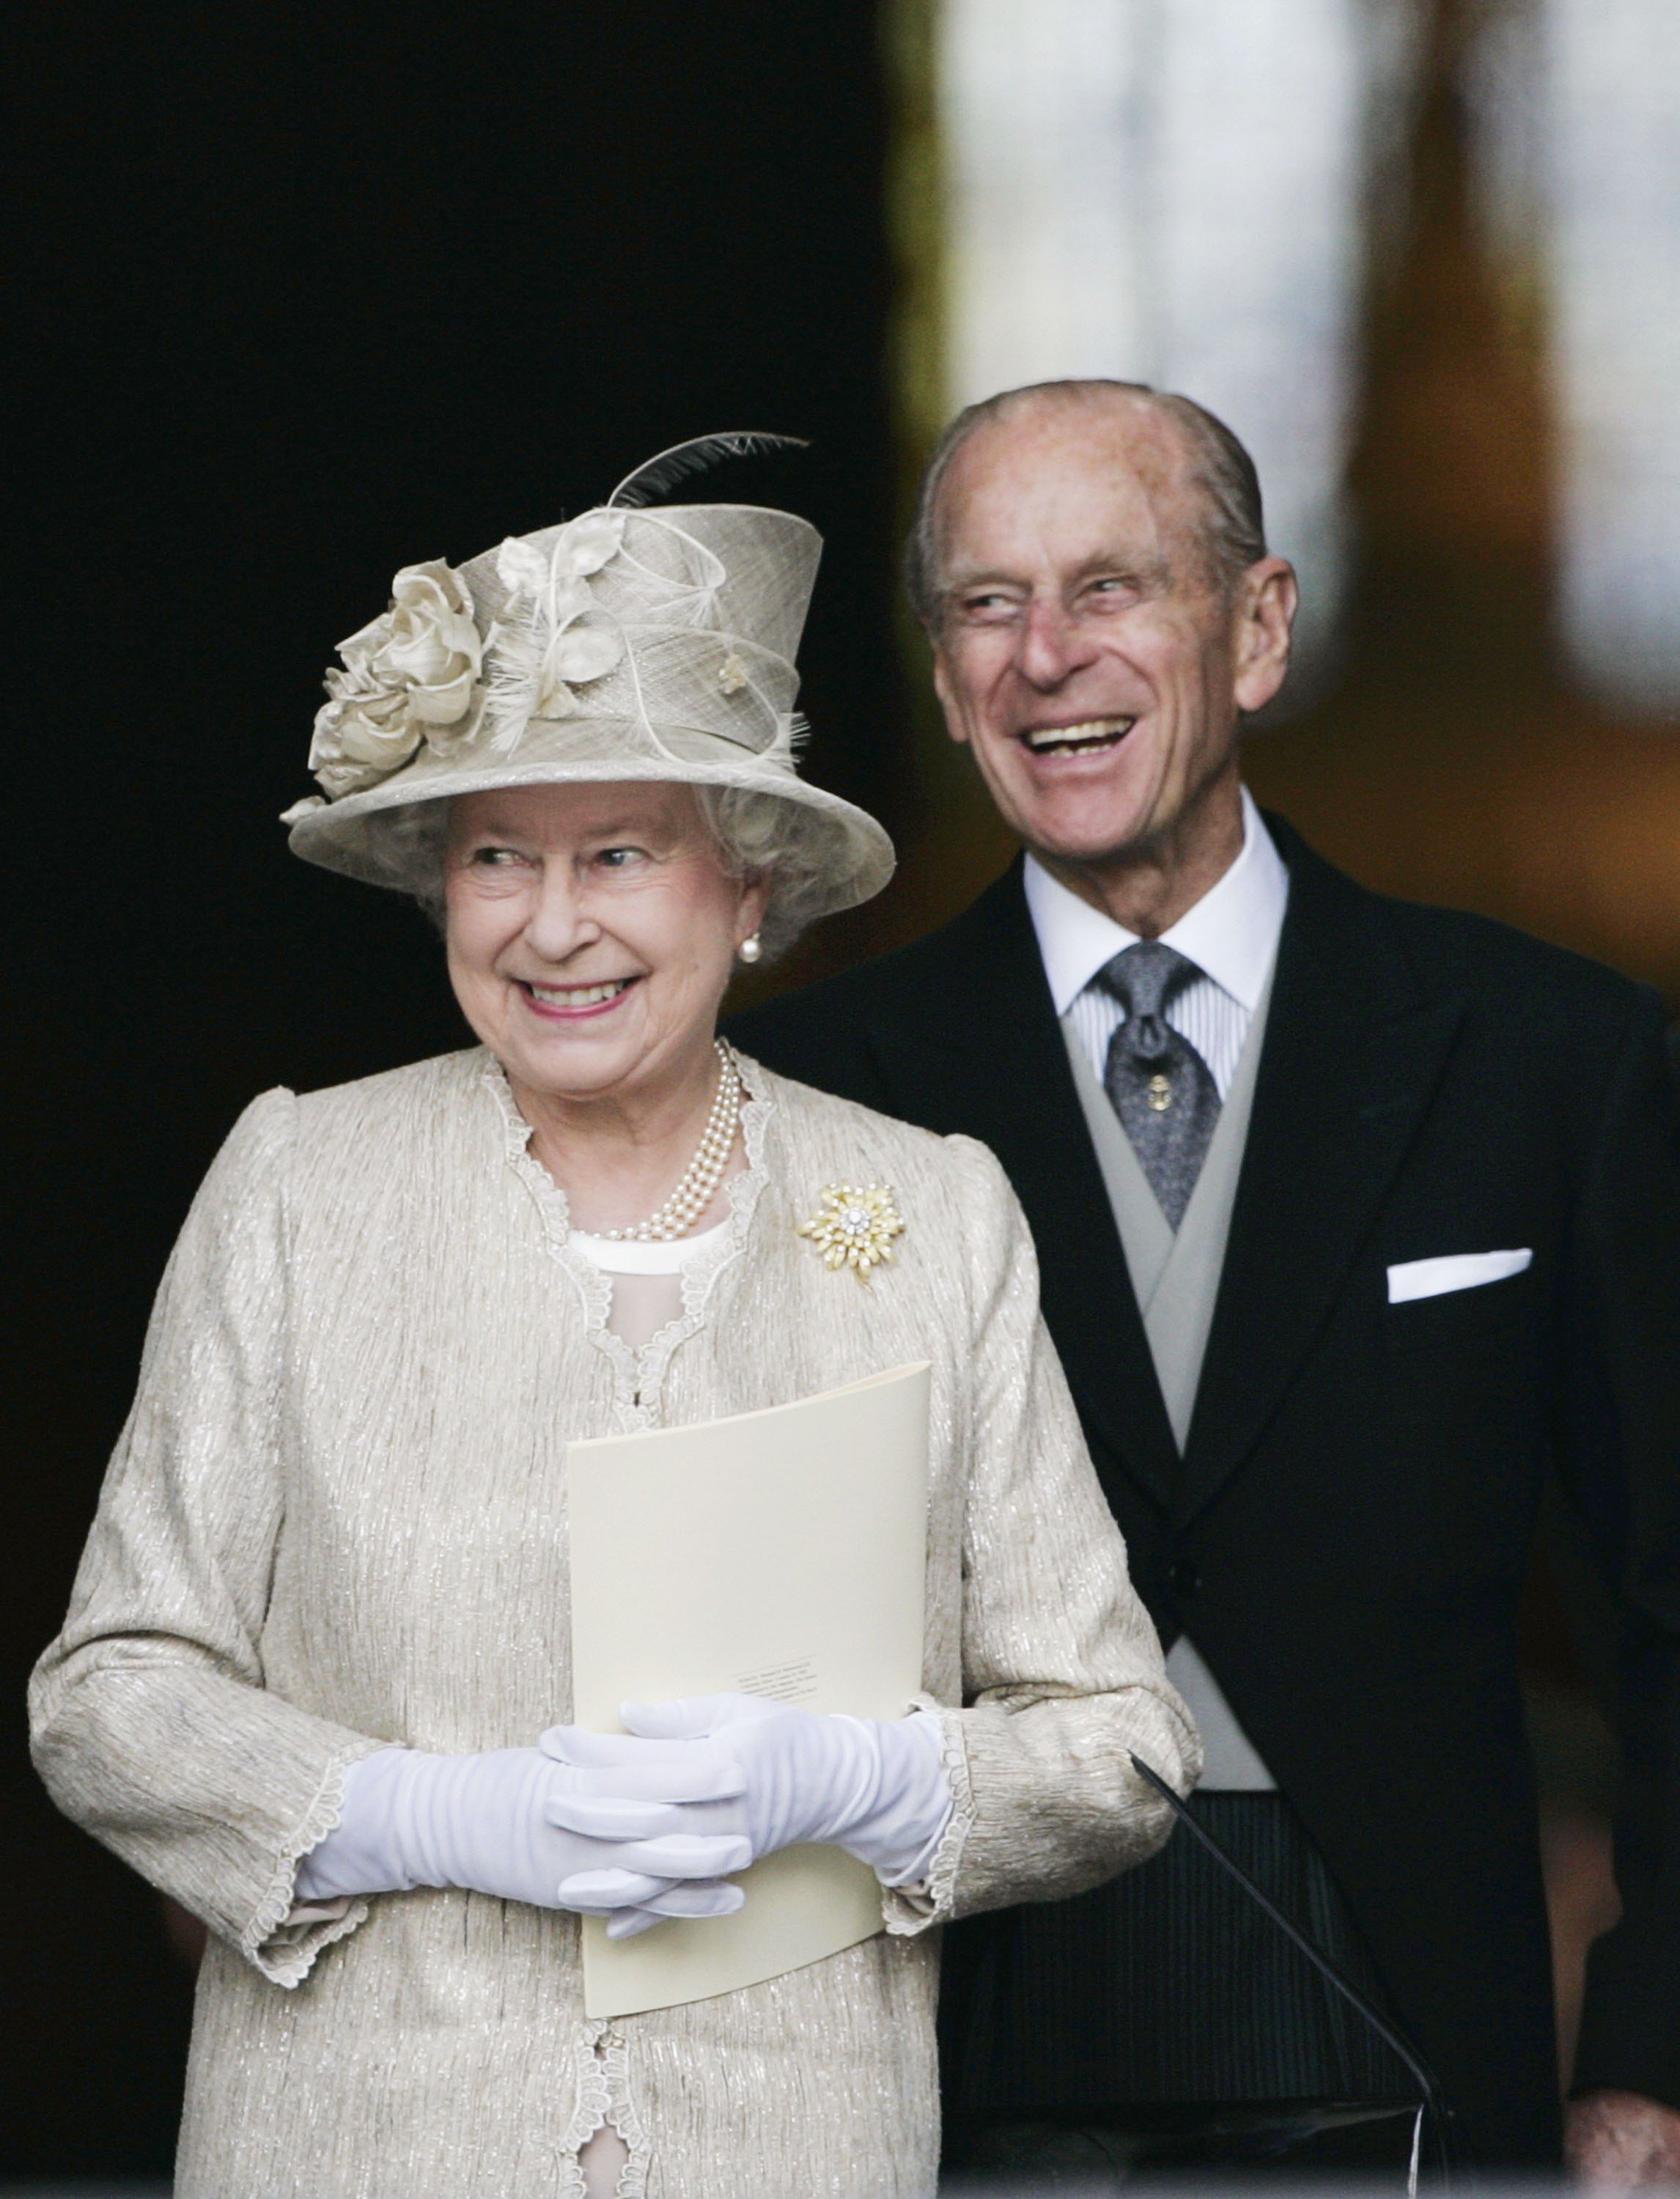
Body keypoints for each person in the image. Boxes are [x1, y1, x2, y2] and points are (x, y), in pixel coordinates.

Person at [29, 446, 1200, 2199]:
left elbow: (1121, 1744)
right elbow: (108, 1693)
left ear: (749, 896)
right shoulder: (298, 1185)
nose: (553, 924)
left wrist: (863, 1785)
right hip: (356, 2145)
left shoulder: (936, 1212)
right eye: (498, 854)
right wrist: (424, 1817)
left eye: (624, 854)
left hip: (788, 2148)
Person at [732, 380, 1680, 2182]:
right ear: (940, 679)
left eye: (1110, 587)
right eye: (987, 606)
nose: (1043, 657)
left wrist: (1657, 2055)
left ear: (1255, 630)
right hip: (943, 2049)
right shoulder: (811, 1098)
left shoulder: (1549, 1060)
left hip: (1415, 2033)